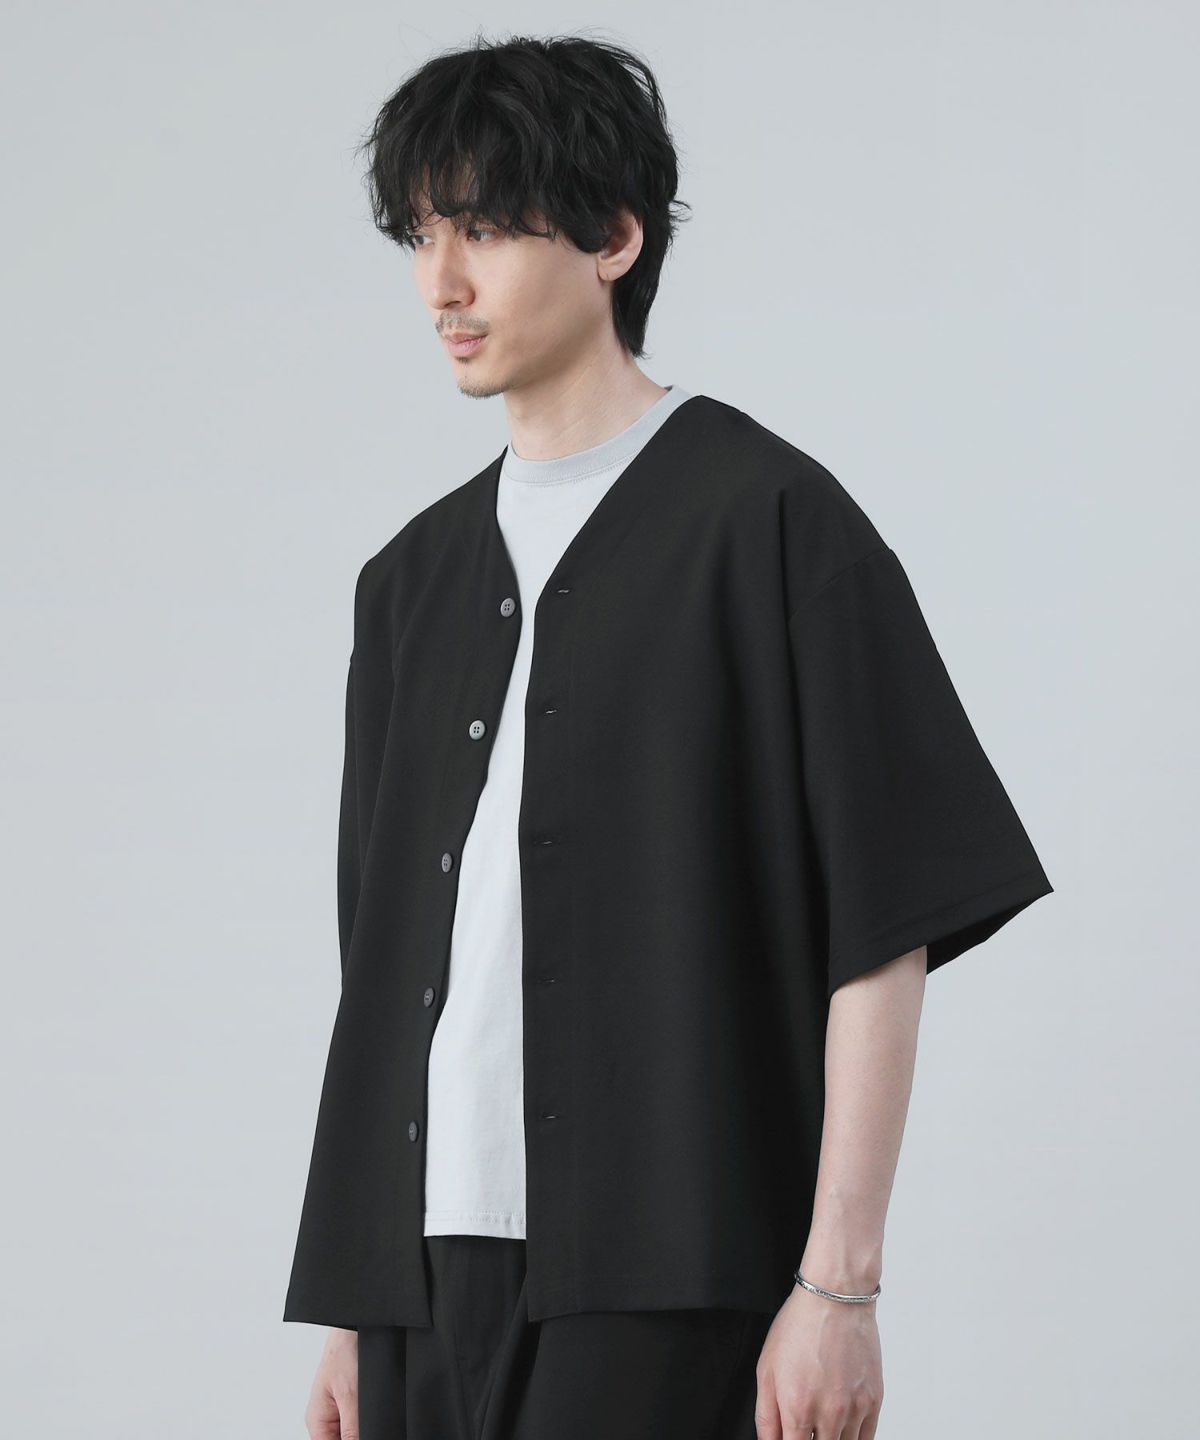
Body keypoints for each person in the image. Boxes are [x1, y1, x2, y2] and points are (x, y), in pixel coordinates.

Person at [284, 32, 1054, 1440]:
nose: (441, 283)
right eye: (422, 235)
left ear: (613, 239)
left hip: (668, 1269)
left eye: (485, 231)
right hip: (414, 1281)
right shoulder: (407, 586)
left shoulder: (771, 526)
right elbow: (386, 965)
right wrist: (354, 1303)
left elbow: (885, 924)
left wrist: (839, 1285)